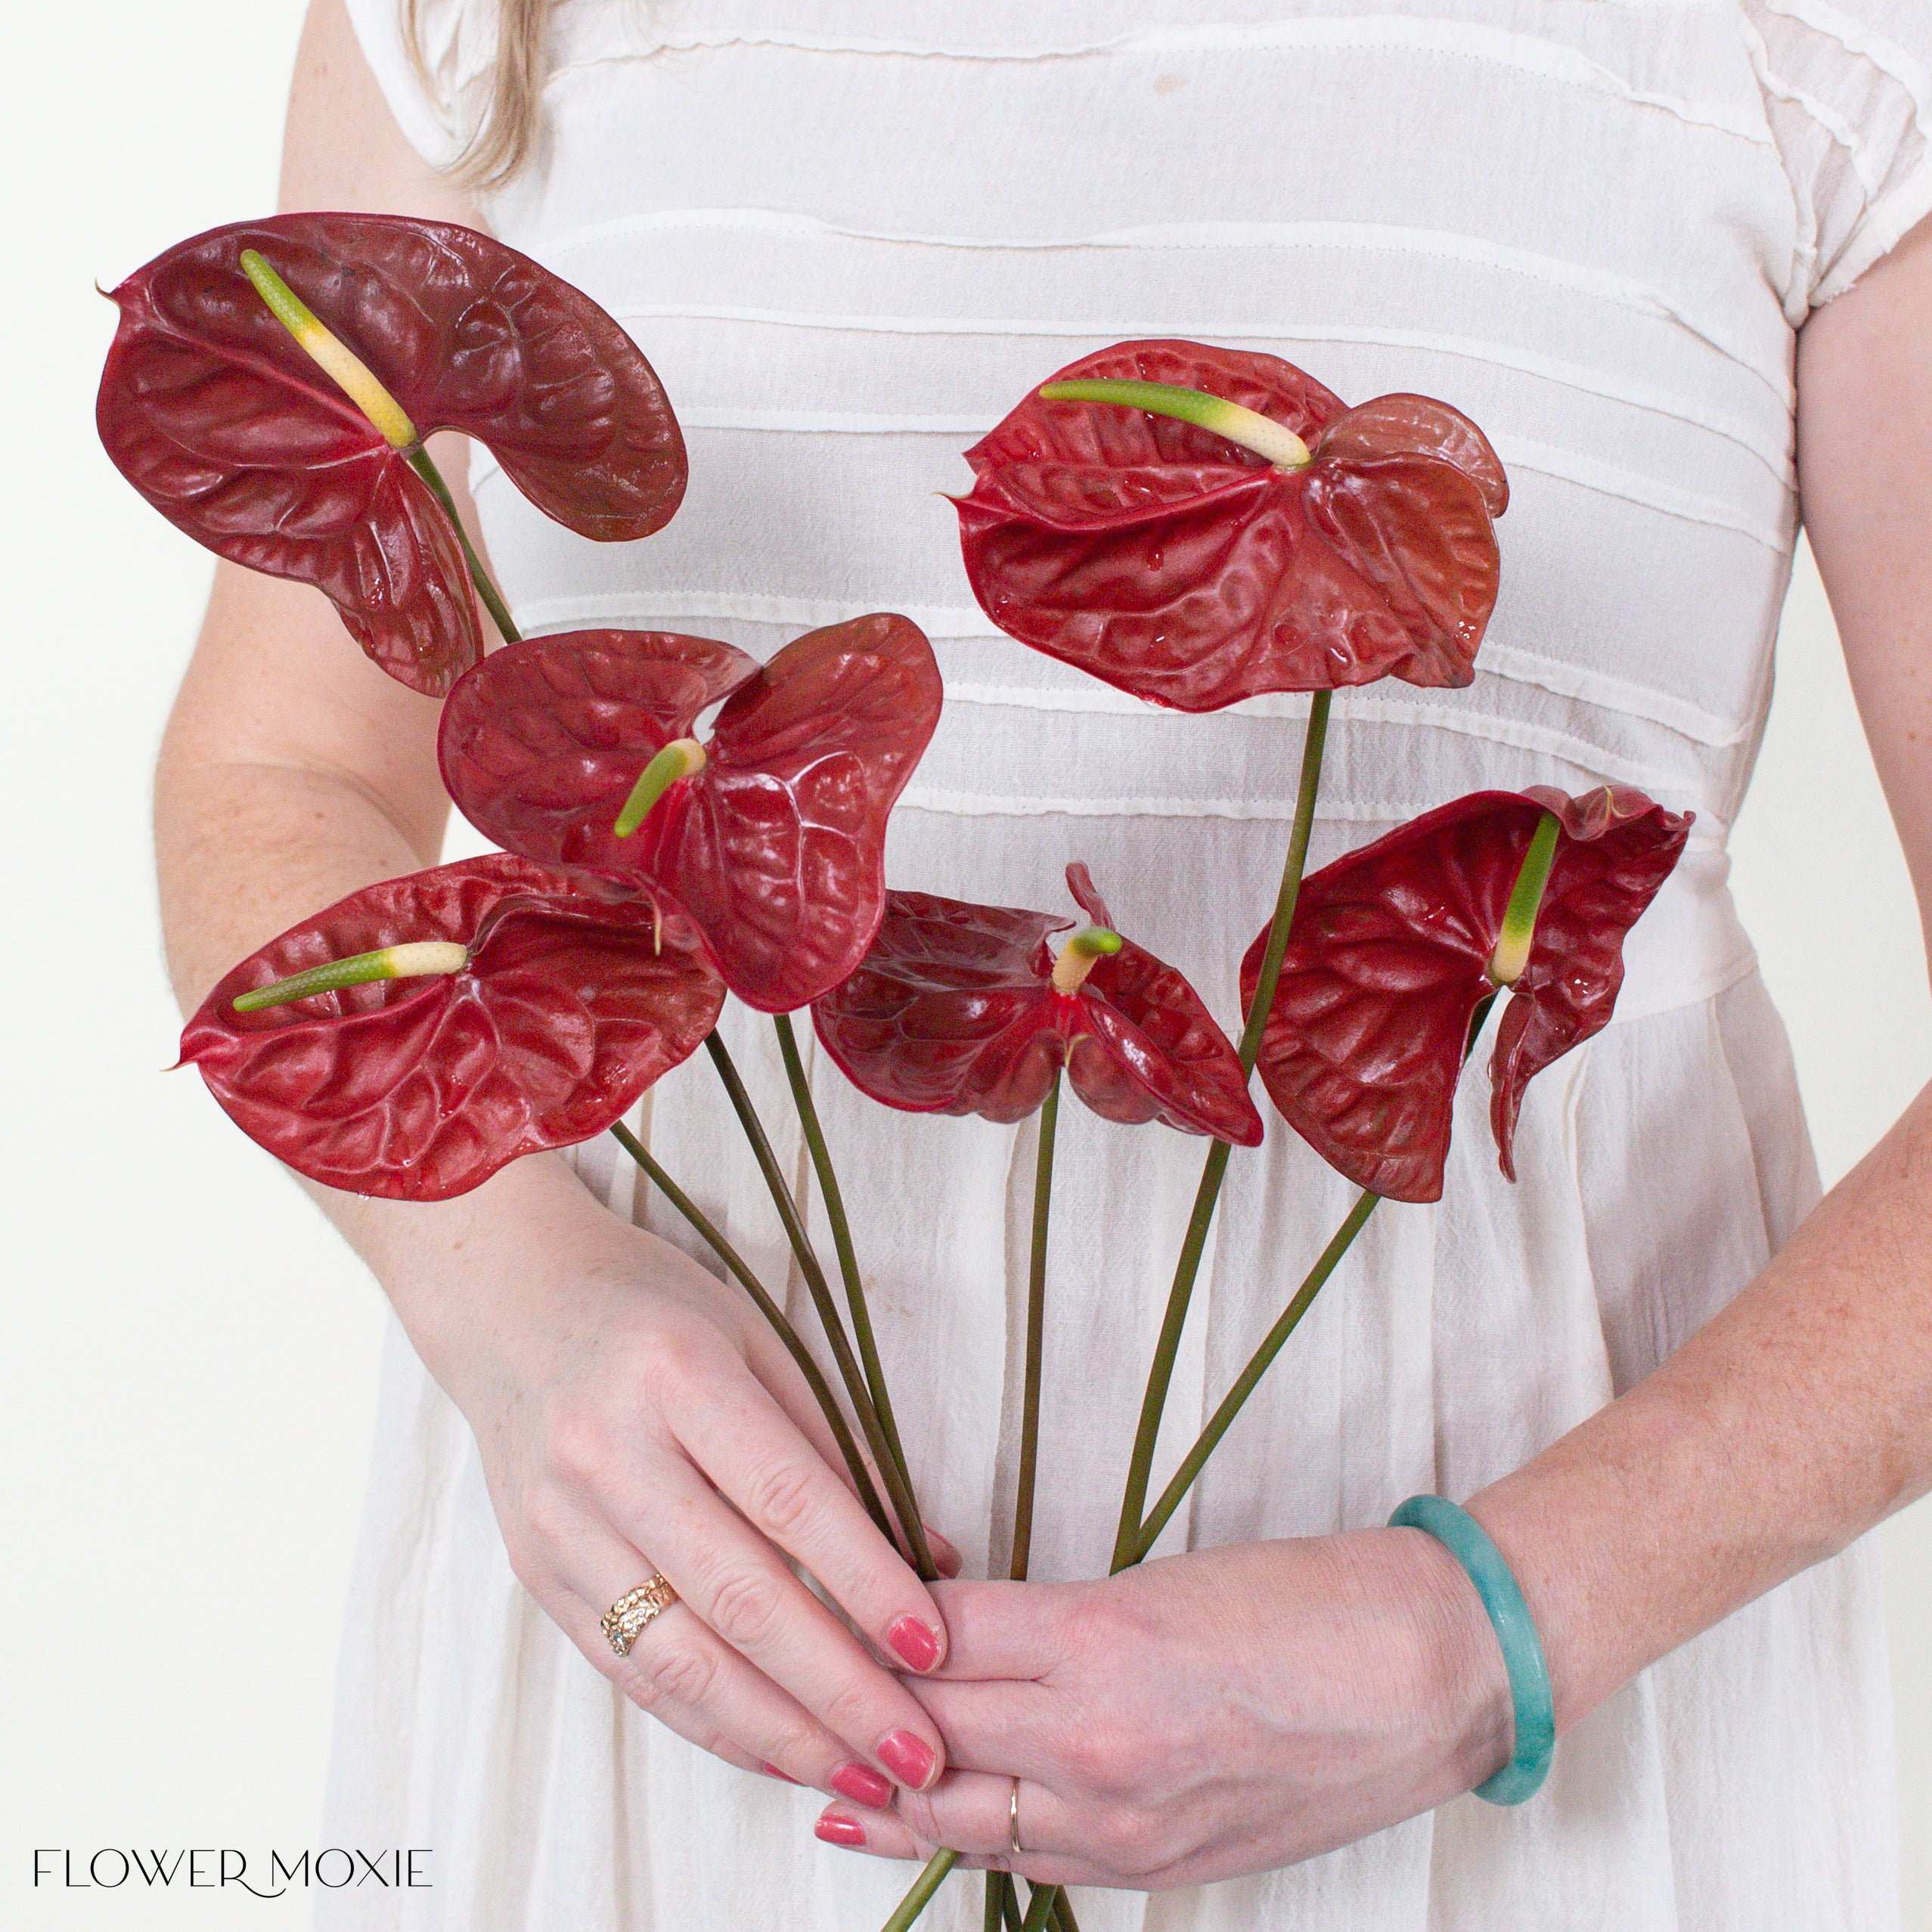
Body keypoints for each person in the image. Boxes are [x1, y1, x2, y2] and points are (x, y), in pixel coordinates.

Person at [156, 1, 1932, 1925]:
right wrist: (510, 1308)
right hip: (708, 1653)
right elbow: (284, 771)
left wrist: (1480, 1629)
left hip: (1535, 1698)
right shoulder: (470, 24)